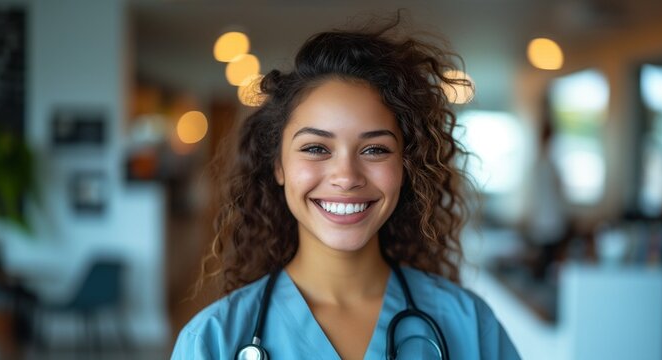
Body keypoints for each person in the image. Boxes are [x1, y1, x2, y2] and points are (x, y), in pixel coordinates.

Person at [172, 17, 519, 360]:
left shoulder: (469, 325)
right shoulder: (212, 340)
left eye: (375, 150)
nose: (347, 176)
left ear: (405, 166)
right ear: (278, 165)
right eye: (316, 148)